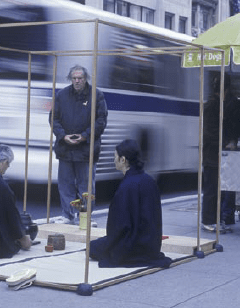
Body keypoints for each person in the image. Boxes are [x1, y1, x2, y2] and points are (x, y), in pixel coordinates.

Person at [89, 139, 172, 268]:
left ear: (123, 160)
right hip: (151, 245)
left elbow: (119, 226)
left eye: (115, 157)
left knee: (92, 247)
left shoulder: (127, 186)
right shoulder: (149, 180)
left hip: (132, 247)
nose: (114, 160)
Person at [50, 64, 108, 224]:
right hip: (65, 148)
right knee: (65, 184)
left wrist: (84, 136)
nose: (77, 81)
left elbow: (101, 121)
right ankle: (67, 215)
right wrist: (63, 136)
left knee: (86, 186)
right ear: (71, 79)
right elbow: (53, 119)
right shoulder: (61, 95)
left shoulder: (97, 95)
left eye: (80, 78)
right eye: (74, 78)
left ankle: (84, 217)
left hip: (86, 149)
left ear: (85, 79)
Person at [202, 74, 240, 233]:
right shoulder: (212, 107)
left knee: (218, 188)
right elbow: (210, 133)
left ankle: (217, 219)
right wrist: (227, 142)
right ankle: (209, 221)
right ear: (226, 89)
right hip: (212, 154)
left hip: (217, 154)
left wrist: (229, 141)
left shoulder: (217, 105)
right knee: (212, 189)